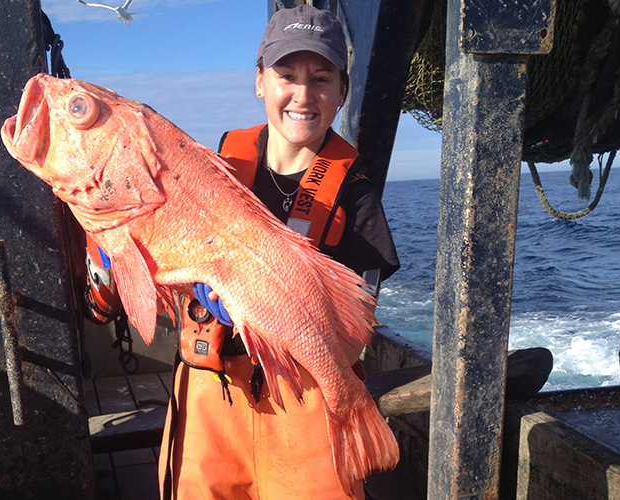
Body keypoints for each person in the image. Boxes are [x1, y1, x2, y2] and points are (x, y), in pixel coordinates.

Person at [85, 5, 399, 499]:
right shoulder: (213, 170)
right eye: (286, 75)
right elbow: (144, 288)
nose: (303, 94)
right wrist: (117, 253)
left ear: (342, 90)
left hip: (305, 405)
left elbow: (354, 339)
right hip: (211, 396)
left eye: (321, 78)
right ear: (259, 82)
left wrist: (273, 325)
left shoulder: (355, 197)